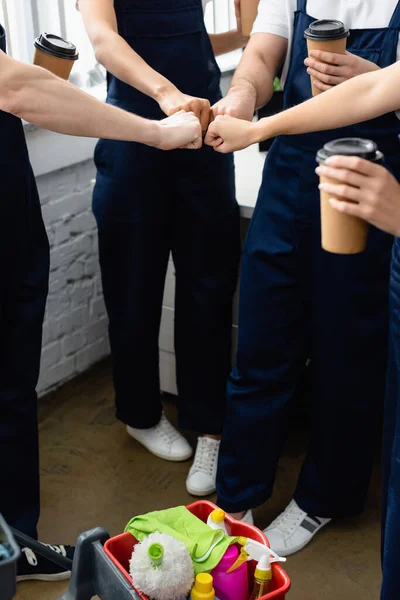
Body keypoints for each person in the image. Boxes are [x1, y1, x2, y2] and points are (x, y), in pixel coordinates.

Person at [0, 22, 201, 583]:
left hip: (7, 201)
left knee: (12, 389)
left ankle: (15, 545)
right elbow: (11, 87)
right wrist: (155, 132)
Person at [204, 0, 400, 556]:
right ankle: (236, 495)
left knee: (350, 352)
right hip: (289, 176)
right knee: (263, 339)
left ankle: (323, 498)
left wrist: (376, 78)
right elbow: (262, 57)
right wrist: (243, 97)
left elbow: (383, 93)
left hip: (368, 182)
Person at [77, 0, 244, 497]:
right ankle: (140, 414)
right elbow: (105, 42)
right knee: (133, 285)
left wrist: (241, 41)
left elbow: (188, 39)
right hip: (134, 136)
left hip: (203, 130)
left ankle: (210, 425)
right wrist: (169, 96)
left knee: (209, 284)